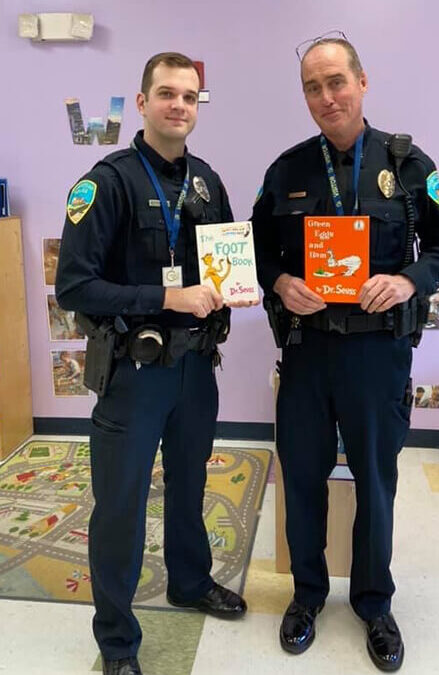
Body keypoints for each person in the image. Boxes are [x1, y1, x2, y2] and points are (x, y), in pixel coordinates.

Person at [252, 33, 439, 671]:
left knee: (375, 483)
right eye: (313, 87)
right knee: (304, 479)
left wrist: (406, 281)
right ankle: (308, 595)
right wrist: (280, 282)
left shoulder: (408, 165)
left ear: (362, 82)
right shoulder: (285, 169)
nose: (326, 97)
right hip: (307, 354)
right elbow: (257, 256)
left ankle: (375, 602)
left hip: (378, 357)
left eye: (336, 81)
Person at [56, 52, 249, 675]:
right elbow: (75, 287)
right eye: (167, 94)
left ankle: (189, 582)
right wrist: (166, 297)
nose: (179, 106)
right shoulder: (106, 182)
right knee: (120, 506)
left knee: (190, 487)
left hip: (196, 371)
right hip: (134, 375)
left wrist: (237, 284)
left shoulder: (207, 182)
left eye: (191, 97)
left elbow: (226, 264)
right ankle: (116, 642)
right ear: (141, 103)